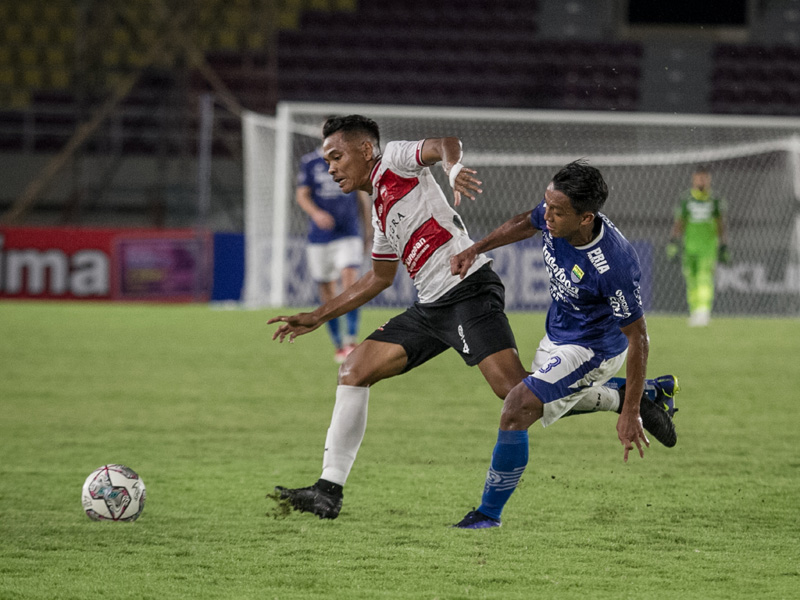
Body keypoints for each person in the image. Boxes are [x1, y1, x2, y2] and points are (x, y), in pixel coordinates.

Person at [269, 117, 677, 521]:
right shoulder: (379, 211)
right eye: (327, 160)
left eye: (336, 157)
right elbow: (379, 278)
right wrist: (318, 315)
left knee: (517, 395)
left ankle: (624, 398)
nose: (331, 168)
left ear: (364, 150)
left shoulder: (393, 160)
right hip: (430, 306)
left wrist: (453, 169)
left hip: (469, 293)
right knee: (354, 370)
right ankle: (328, 490)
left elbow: (444, 143)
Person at [449, 160, 679, 529]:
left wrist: (631, 413)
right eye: (547, 205)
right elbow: (527, 221)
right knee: (515, 390)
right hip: (557, 334)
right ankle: (633, 394)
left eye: (557, 211)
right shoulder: (554, 214)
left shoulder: (614, 265)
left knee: (517, 407)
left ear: (586, 218)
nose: (548, 216)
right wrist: (477, 248)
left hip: (592, 350)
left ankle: (488, 514)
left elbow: (638, 337)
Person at [296, 144, 372, 362]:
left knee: (350, 283)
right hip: (320, 237)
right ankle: (338, 344)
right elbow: (302, 195)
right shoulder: (310, 162)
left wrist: (368, 231)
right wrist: (316, 214)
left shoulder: (350, 159)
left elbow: (362, 196)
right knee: (327, 292)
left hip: (349, 233)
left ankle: (351, 339)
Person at [666, 166, 729, 327]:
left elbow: (720, 223)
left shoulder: (715, 200)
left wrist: (723, 244)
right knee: (691, 278)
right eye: (699, 178)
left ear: (709, 180)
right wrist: (673, 241)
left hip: (708, 247)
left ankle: (703, 311)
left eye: (704, 178)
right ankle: (694, 311)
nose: (702, 181)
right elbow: (679, 222)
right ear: (694, 179)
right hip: (689, 247)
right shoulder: (686, 200)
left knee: (704, 277)